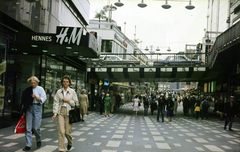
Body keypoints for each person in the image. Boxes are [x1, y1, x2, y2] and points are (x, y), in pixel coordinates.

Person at [52, 75, 79, 152]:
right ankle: (61, 149)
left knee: (67, 132)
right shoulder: (59, 92)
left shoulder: (72, 92)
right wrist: (55, 113)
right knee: (61, 131)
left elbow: (76, 103)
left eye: (67, 82)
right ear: (62, 83)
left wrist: (68, 101)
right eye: (64, 82)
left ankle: (70, 142)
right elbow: (56, 102)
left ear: (69, 83)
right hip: (60, 111)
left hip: (69, 112)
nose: (65, 83)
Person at [21, 76, 46, 151]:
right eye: (31, 83)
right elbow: (24, 99)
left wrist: (36, 97)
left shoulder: (40, 89)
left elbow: (43, 99)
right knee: (28, 128)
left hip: (37, 107)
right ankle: (28, 145)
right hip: (29, 108)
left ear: (37, 82)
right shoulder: (28, 90)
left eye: (34, 83)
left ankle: (38, 139)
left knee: (36, 127)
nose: (33, 84)